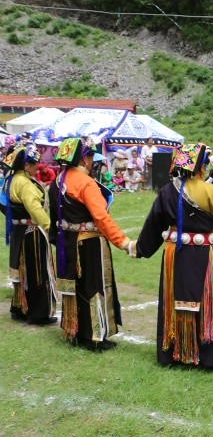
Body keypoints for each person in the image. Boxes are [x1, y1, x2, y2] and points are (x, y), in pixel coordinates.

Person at [135, 143, 213, 369]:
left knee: (175, 300)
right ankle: (207, 357)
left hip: (174, 255)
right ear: (201, 168)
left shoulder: (166, 191)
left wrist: (140, 249)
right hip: (205, 254)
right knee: (206, 303)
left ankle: (172, 352)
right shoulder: (211, 192)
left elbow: (153, 226)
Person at [49, 138, 136, 351]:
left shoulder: (58, 180)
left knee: (75, 286)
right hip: (89, 243)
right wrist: (123, 242)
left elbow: (52, 215)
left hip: (67, 242)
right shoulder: (85, 182)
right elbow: (101, 217)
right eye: (90, 157)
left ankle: (76, 330)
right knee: (95, 286)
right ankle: (95, 335)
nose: (91, 161)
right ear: (83, 158)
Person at [2, 144, 58, 325]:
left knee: (22, 271)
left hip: (19, 232)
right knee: (37, 274)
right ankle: (38, 313)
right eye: (35, 163)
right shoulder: (25, 184)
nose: (38, 166)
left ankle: (20, 307)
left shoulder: (12, 179)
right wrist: (49, 227)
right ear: (26, 165)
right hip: (31, 233)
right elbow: (34, 208)